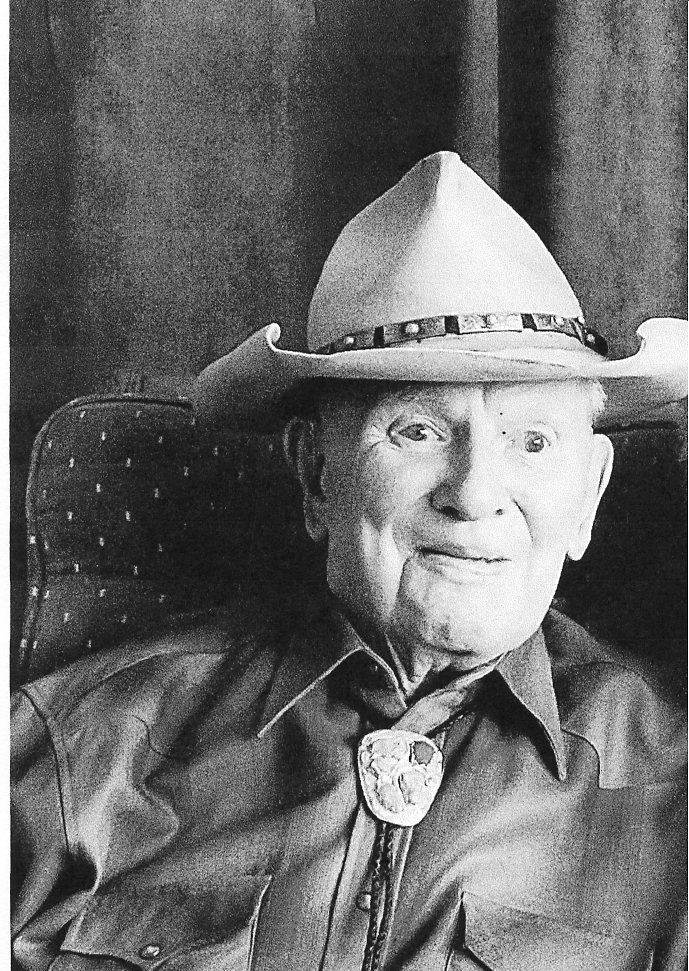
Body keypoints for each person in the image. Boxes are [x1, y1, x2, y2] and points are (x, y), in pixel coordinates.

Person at [11, 152, 687, 971]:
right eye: (417, 430)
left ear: (588, 495)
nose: (474, 493)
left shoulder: (672, 794)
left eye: (531, 441)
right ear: (315, 475)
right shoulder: (85, 743)